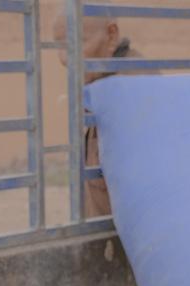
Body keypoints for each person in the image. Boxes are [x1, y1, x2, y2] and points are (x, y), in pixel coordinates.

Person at [52, 14, 143, 218]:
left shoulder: (132, 92)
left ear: (111, 36)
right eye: (60, 45)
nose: (64, 58)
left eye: (76, 42)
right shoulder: (102, 85)